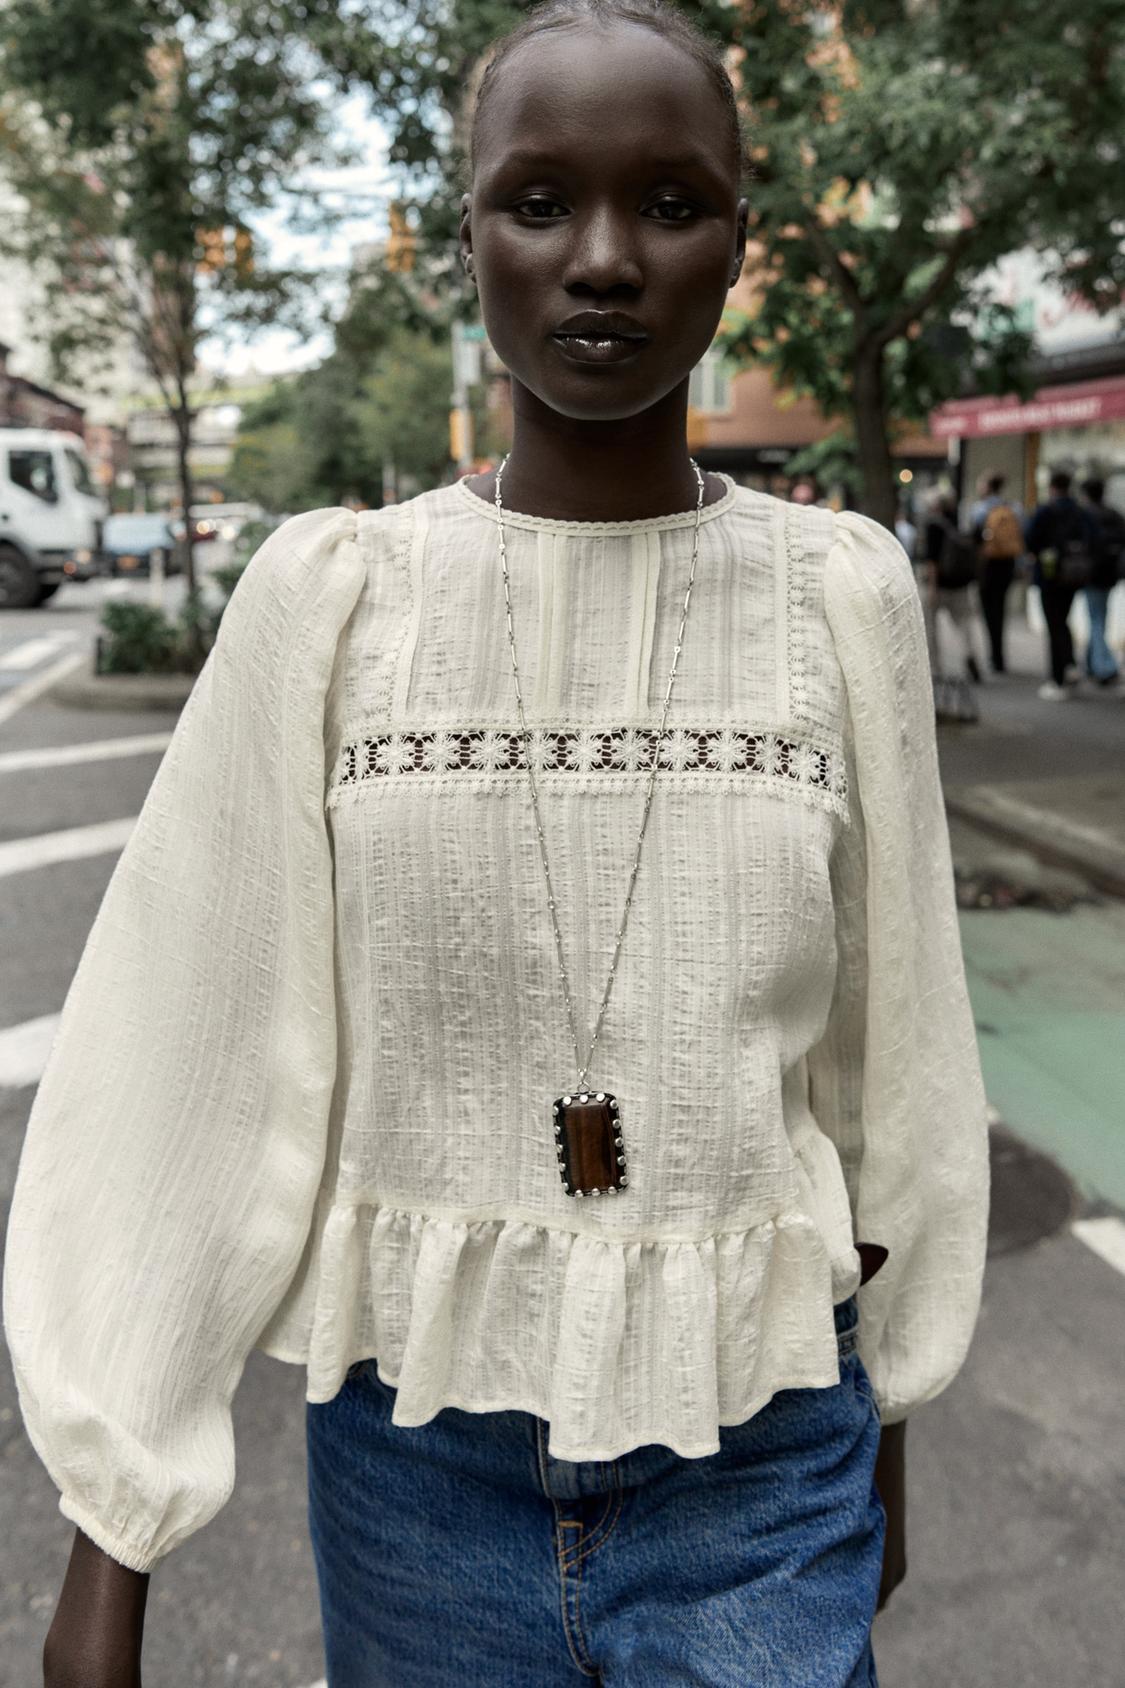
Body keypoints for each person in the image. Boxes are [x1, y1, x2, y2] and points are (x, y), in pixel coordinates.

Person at [4, 4, 990, 1684]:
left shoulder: (841, 596)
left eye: (670, 203)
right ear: (463, 236)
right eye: (539, 200)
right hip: (414, 1460)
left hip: (763, 1447)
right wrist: (115, 1532)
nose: (602, 259)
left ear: (740, 242)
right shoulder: (336, 602)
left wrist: (886, 1407)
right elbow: (189, 1052)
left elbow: (891, 1059)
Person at [1024, 468, 1100, 701]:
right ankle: (1069, 665)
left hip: (1049, 577)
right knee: (1062, 622)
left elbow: (1030, 539)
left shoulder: (1046, 511)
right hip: (1073, 576)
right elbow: (1095, 540)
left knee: (1054, 625)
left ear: (1052, 487)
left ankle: (1058, 678)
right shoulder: (1080, 511)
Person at [922, 488, 984, 683]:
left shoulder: (933, 525)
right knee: (964, 625)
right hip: (961, 584)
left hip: (939, 585)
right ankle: (969, 654)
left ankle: (935, 667)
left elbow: (932, 560)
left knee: (930, 628)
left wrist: (932, 587)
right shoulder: (960, 523)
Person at [969, 471, 1025, 674]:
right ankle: (1000, 656)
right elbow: (1020, 537)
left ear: (987, 487)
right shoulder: (1014, 508)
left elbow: (973, 538)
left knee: (988, 611)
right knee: (1000, 609)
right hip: (1007, 564)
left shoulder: (980, 509)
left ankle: (994, 656)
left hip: (987, 565)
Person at [1078, 476, 1123, 687]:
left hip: (1091, 574)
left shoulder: (1086, 516)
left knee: (1096, 620)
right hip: (1109, 574)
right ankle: (1090, 663)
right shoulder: (1113, 515)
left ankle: (1105, 666)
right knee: (1098, 618)